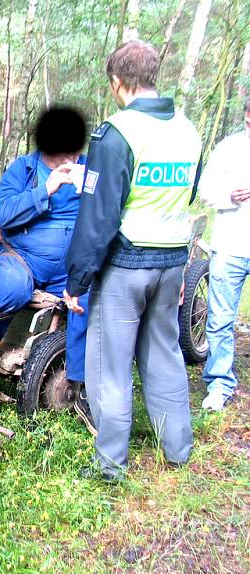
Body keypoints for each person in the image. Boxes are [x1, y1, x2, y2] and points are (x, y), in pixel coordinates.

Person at [64, 40, 202, 480]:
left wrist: (77, 281)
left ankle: (109, 464)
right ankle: (177, 447)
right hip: (172, 261)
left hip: (125, 266)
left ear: (117, 82)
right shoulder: (188, 130)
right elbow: (184, 194)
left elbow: (99, 215)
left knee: (111, 366)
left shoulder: (116, 132)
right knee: (164, 354)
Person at [0, 106, 93, 434]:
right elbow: (3, 215)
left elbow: (109, 209)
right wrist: (45, 191)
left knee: (88, 299)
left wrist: (89, 186)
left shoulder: (90, 169)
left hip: (72, 266)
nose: (67, 155)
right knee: (10, 287)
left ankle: (80, 380)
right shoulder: (23, 170)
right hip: (23, 259)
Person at [198, 98, 250, 411]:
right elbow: (205, 190)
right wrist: (228, 196)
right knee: (220, 318)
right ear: (247, 115)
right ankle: (219, 383)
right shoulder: (228, 148)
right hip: (231, 245)